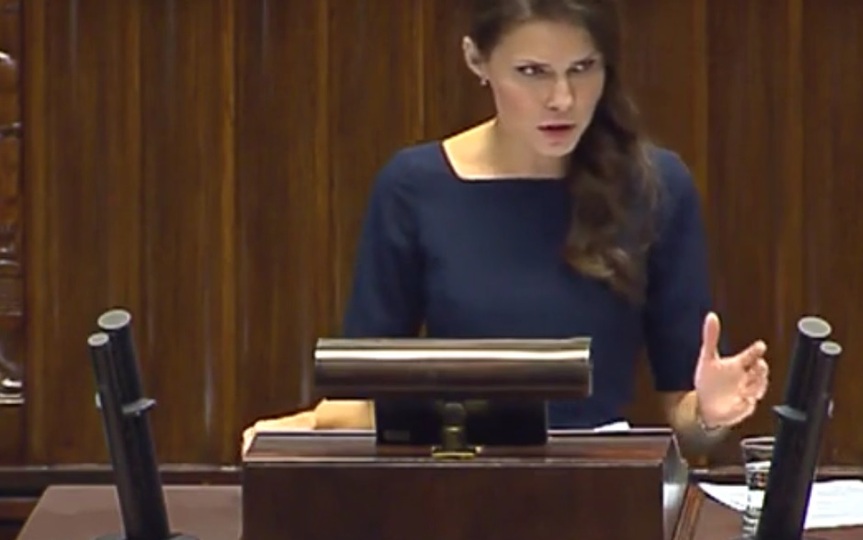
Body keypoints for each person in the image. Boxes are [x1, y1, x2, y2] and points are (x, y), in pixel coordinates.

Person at [242, 0, 769, 455]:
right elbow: (363, 394)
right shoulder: (414, 187)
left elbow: (685, 416)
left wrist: (710, 412)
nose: (562, 98)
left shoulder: (656, 185)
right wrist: (308, 427)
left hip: (597, 484)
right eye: (532, 72)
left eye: (583, 68)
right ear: (477, 60)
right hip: (453, 477)